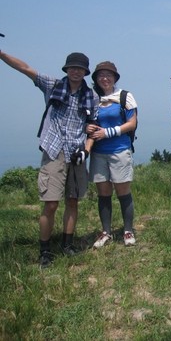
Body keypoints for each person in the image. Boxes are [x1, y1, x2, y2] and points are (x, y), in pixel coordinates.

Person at [0, 50, 98, 267]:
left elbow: (93, 129)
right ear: (66, 69)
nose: (75, 71)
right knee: (51, 203)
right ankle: (44, 250)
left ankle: (67, 244)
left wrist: (86, 151)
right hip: (54, 150)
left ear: (85, 72)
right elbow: (24, 68)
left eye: (80, 68)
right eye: (72, 67)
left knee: (73, 201)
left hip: (77, 153)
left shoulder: (92, 97)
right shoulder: (52, 85)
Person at [87, 61, 138, 248]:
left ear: (115, 78)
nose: (105, 78)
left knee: (123, 192)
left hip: (120, 150)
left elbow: (131, 123)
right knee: (103, 193)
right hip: (98, 153)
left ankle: (127, 230)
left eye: (109, 75)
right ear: (96, 79)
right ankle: (106, 232)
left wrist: (107, 132)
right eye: (101, 75)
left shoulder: (125, 96)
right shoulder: (92, 98)